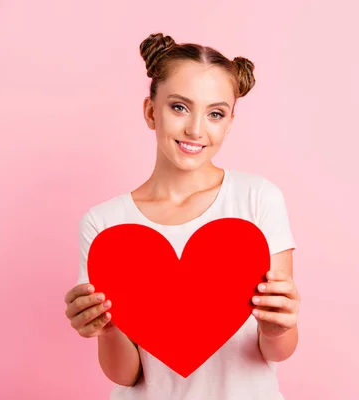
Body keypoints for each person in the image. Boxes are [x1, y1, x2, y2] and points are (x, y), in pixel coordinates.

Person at [63, 32, 301, 400]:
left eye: (215, 114)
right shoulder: (105, 224)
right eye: (179, 107)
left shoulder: (257, 199)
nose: (195, 129)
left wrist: (275, 327)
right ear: (149, 111)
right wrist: (108, 329)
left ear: (230, 122)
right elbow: (126, 375)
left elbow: (278, 350)